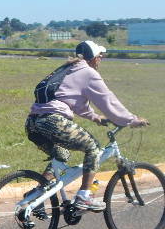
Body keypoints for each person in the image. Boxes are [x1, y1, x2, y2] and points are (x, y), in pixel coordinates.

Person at [25, 40, 149, 211]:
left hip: (33, 123)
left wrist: (96, 118)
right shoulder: (88, 72)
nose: (101, 59)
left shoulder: (68, 68)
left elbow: (73, 100)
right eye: (100, 56)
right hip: (53, 121)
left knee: (61, 153)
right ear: (92, 58)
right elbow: (108, 100)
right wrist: (130, 120)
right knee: (93, 148)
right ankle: (84, 197)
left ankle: (38, 195)